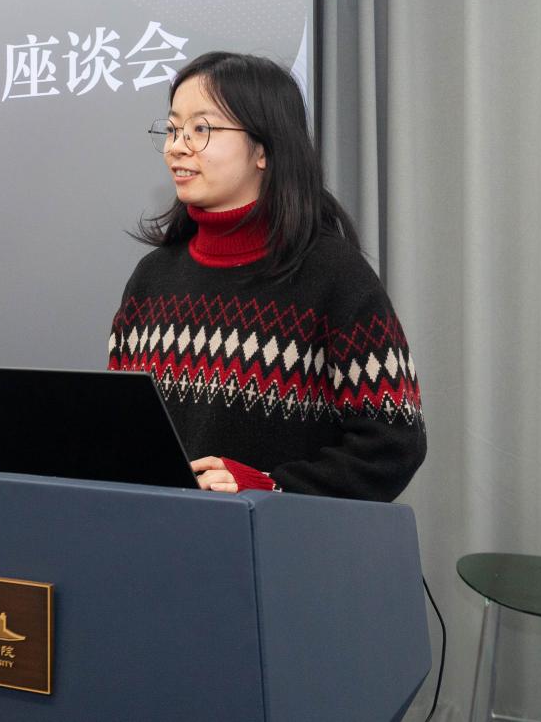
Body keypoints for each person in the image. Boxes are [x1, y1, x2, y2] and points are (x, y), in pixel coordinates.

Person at [108, 51, 425, 502]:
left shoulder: (332, 274)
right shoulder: (151, 278)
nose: (177, 146)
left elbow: (394, 441)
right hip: (160, 536)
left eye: (201, 129)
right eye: (174, 129)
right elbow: (125, 432)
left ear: (263, 149)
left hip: (278, 542)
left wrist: (272, 488)